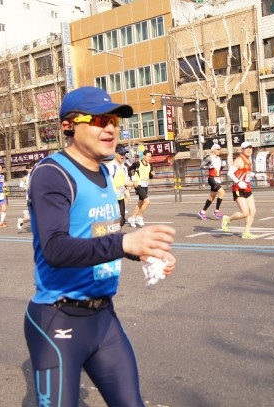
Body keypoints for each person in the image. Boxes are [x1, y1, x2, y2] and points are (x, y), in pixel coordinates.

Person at [23, 86, 176, 406]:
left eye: (113, 121)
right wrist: (124, 242)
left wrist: (141, 251)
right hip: (59, 320)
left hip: (104, 318)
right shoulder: (52, 174)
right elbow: (55, 249)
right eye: (97, 120)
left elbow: (98, 236)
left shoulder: (106, 172)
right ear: (68, 126)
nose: (109, 128)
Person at [222, 141, 258, 239]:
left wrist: (255, 175)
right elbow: (230, 173)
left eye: (250, 148)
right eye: (247, 148)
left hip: (247, 188)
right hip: (238, 189)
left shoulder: (249, 159)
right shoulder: (239, 160)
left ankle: (246, 232)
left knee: (253, 211)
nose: (249, 149)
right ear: (242, 150)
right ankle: (228, 219)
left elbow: (246, 172)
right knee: (245, 212)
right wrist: (238, 182)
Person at [197, 143, 226, 220]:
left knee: (212, 197)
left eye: (220, 149)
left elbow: (219, 169)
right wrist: (209, 166)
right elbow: (201, 166)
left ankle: (202, 212)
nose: (219, 151)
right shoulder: (209, 158)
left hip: (217, 179)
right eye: (218, 149)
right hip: (212, 179)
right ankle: (216, 211)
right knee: (222, 193)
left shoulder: (219, 159)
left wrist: (223, 166)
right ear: (213, 150)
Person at [107, 145, 133, 227]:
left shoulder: (124, 167)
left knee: (122, 221)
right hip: (111, 199)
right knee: (112, 221)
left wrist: (135, 183)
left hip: (121, 197)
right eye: (121, 154)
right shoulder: (110, 167)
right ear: (115, 153)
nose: (123, 156)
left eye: (124, 154)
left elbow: (125, 181)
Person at [127, 150, 154, 228]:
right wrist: (133, 179)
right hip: (138, 185)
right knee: (147, 201)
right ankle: (139, 216)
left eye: (150, 156)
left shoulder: (150, 165)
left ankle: (132, 218)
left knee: (140, 203)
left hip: (145, 186)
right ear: (144, 156)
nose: (149, 158)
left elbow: (150, 176)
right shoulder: (138, 163)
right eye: (148, 156)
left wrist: (152, 174)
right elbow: (128, 169)